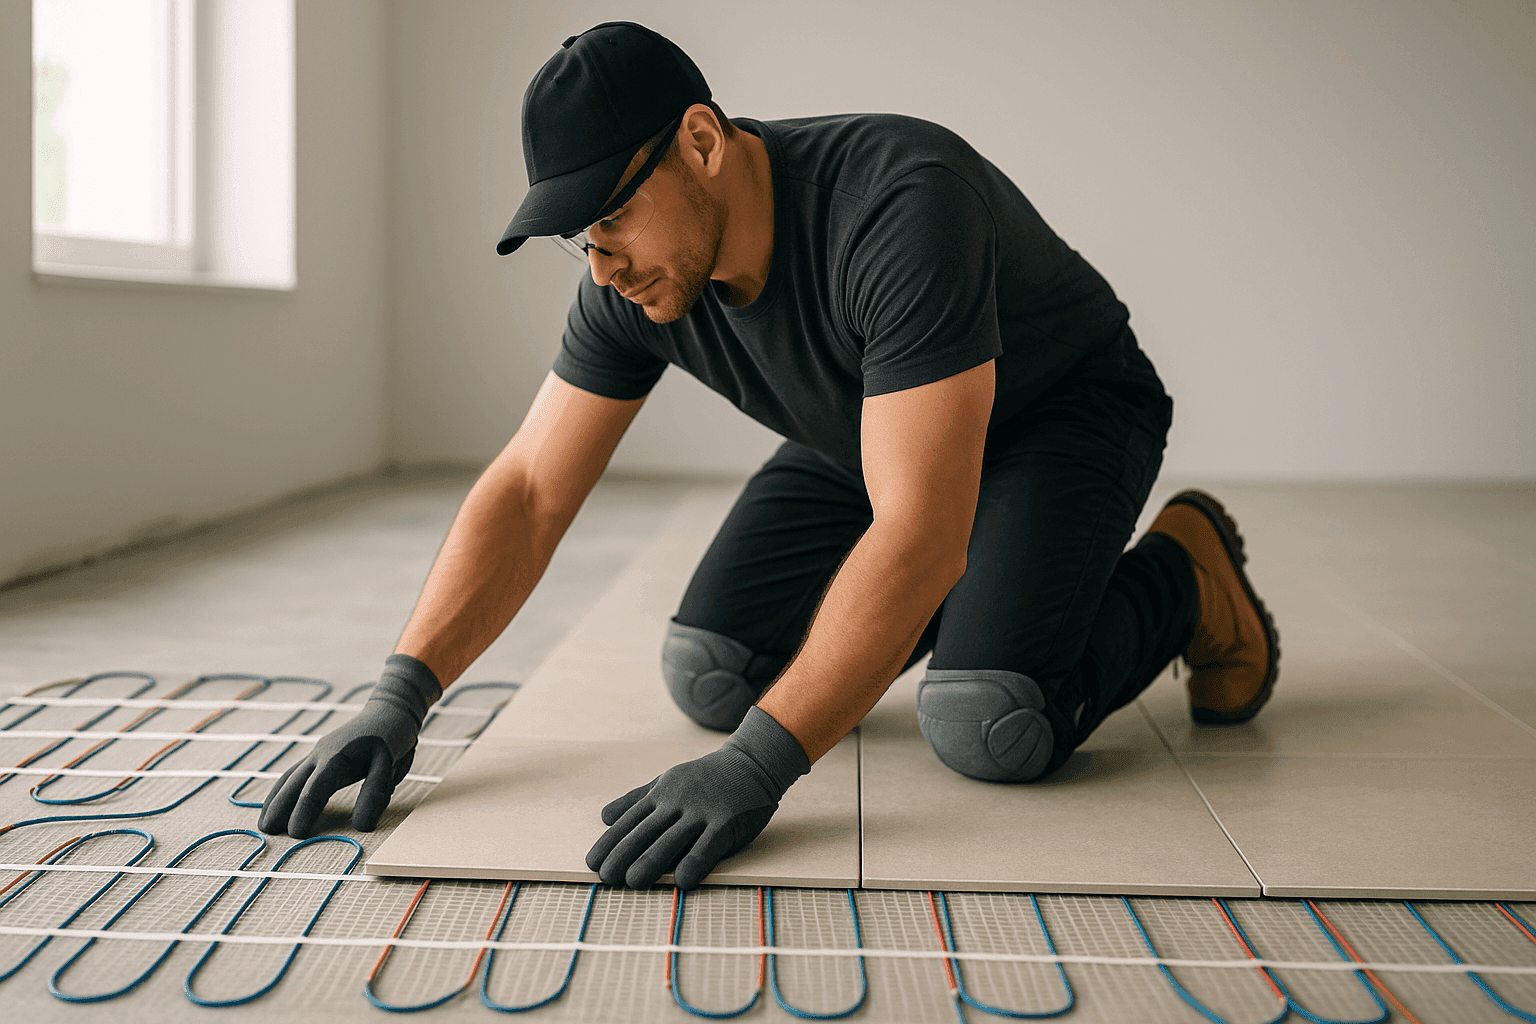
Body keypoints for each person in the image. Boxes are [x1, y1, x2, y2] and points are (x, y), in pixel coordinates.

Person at [259, 21, 1280, 890]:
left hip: (1060, 417)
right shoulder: (633, 284)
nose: (600, 261)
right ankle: (984, 596)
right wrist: (402, 692)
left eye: (611, 214)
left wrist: (762, 764)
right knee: (711, 673)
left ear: (701, 140)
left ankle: (1187, 574)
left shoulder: (897, 206)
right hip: (865, 433)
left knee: (987, 723)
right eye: (578, 236)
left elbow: (920, 534)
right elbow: (529, 490)